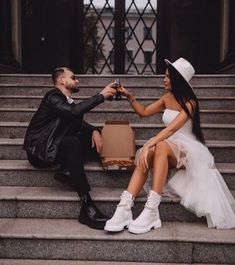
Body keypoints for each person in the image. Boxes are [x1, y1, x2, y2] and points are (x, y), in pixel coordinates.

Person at [105, 58, 235, 234]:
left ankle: (152, 210)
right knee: (156, 149)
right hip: (167, 146)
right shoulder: (167, 97)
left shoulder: (191, 103)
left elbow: (172, 129)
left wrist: (149, 143)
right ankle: (125, 208)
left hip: (187, 150)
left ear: (177, 80)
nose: (163, 80)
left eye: (167, 77)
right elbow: (144, 112)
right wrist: (130, 97)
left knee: (159, 146)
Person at [23, 67, 117, 230]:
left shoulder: (65, 102)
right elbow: (74, 112)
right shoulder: (53, 97)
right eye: (73, 77)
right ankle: (87, 206)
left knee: (85, 138)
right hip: (39, 151)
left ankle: (67, 170)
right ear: (61, 80)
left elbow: (77, 121)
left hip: (54, 145)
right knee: (74, 142)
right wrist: (101, 96)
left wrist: (95, 130)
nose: (77, 80)